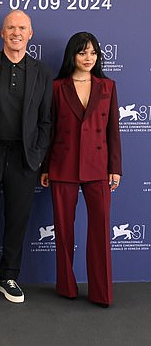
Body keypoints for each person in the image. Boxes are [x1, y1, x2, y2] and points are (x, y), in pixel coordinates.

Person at [0, 10, 52, 307]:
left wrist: (38, 154)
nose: (16, 32)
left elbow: (46, 121)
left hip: (24, 157)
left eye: (22, 28)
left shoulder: (42, 71)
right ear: (2, 33)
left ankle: (8, 277)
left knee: (17, 219)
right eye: (11, 27)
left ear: (30, 34)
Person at [40, 32, 122, 308]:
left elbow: (113, 131)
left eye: (93, 53)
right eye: (82, 53)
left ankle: (101, 292)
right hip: (62, 166)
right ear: (71, 55)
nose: (88, 58)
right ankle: (67, 286)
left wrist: (115, 168)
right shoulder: (56, 87)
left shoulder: (108, 86)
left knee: (100, 229)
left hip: (99, 168)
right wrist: (45, 166)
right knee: (63, 231)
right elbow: (49, 131)